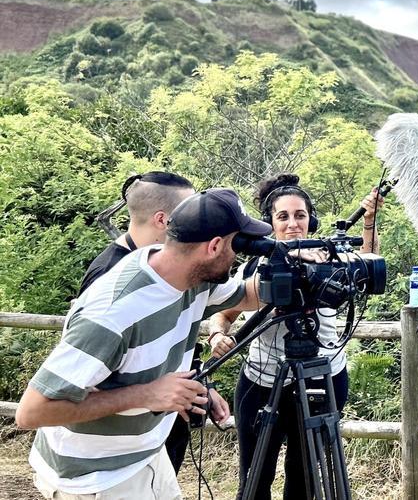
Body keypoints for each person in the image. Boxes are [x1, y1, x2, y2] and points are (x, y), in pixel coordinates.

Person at [15, 188, 272, 499]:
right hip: (95, 478)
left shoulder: (188, 278)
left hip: (145, 454)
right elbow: (31, 412)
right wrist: (148, 394)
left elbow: (246, 295)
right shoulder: (113, 312)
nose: (239, 255)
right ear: (214, 246)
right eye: (238, 245)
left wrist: (302, 266)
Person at [208, 173, 380, 500]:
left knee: (303, 478)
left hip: (321, 378)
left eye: (300, 215)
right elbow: (225, 312)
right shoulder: (255, 268)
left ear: (310, 220)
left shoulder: (331, 260)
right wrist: (217, 333)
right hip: (262, 383)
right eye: (283, 216)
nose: (292, 224)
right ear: (270, 222)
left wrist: (369, 221)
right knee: (254, 477)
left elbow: (367, 267)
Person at [77, 170, 230, 475]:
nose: (197, 221)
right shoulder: (110, 277)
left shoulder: (169, 267)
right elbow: (86, 381)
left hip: (161, 431)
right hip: (117, 455)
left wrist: (197, 386)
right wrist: (152, 394)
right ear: (163, 220)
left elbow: (165, 341)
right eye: (188, 212)